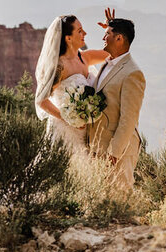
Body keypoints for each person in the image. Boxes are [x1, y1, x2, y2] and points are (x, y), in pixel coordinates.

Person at [87, 13, 146, 190]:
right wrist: (110, 25)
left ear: (119, 38)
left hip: (118, 151)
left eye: (108, 34)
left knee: (120, 202)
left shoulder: (132, 73)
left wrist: (114, 153)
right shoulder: (108, 62)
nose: (103, 38)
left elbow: (129, 118)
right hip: (98, 146)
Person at [34, 14, 109, 154]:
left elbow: (113, 54)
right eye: (80, 31)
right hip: (65, 133)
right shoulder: (59, 67)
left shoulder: (85, 57)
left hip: (87, 134)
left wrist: (111, 28)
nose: (85, 33)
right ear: (68, 38)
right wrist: (68, 119)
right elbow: (41, 101)